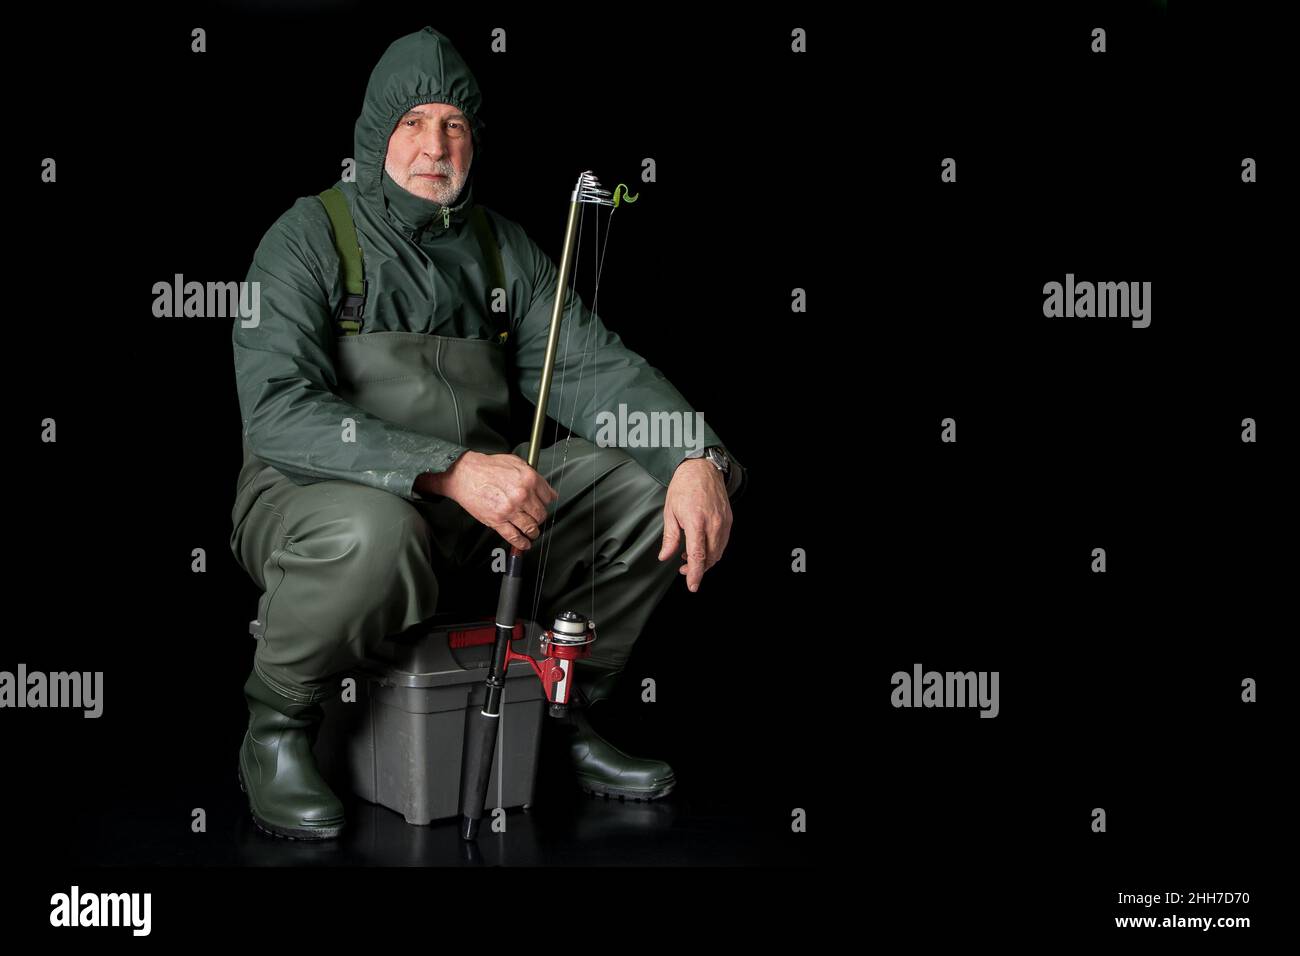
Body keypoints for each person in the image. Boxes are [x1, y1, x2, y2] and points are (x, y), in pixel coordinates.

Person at [229, 26, 746, 840]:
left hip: (480, 506)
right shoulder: (305, 238)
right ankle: (278, 728)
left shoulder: (506, 251)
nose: (434, 146)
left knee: (650, 484)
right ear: (375, 134)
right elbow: (279, 410)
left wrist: (690, 450)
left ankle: (564, 710)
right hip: (317, 501)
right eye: (412, 124)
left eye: (454, 125)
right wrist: (447, 468)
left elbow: (593, 368)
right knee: (377, 532)